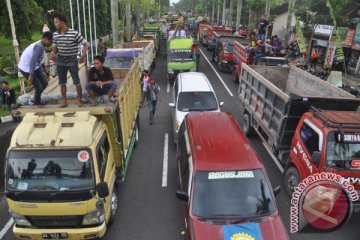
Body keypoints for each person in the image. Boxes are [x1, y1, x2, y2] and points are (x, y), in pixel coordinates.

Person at [51, 12, 88, 108]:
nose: (55, 24)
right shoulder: (55, 35)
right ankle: (64, 101)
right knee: (62, 82)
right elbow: (55, 48)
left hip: (72, 60)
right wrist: (53, 54)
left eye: (56, 22)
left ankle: (79, 100)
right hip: (60, 61)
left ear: (62, 22)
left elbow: (85, 44)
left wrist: (82, 56)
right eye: (54, 22)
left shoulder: (74, 33)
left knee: (76, 81)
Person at [18, 31, 53, 106]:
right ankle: (37, 103)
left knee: (45, 82)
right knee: (39, 87)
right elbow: (33, 61)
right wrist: (31, 75)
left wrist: (43, 71)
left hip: (35, 67)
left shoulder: (42, 46)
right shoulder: (39, 46)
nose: (51, 44)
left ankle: (35, 98)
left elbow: (39, 61)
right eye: (51, 42)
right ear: (46, 39)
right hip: (26, 68)